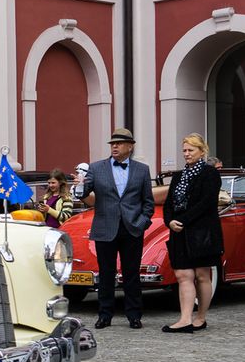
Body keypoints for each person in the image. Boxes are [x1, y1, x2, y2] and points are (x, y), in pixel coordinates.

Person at [81, 128, 155, 329]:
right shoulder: (96, 168)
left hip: (132, 228)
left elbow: (148, 201)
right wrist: (79, 185)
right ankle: (104, 315)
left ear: (130, 147)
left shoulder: (142, 170)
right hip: (105, 227)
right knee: (106, 273)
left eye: (119, 143)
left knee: (131, 273)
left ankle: (134, 316)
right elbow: (84, 193)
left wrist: (142, 223)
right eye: (112, 143)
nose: (114, 146)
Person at [162, 133, 223, 333]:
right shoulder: (179, 176)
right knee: (182, 274)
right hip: (179, 231)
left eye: (191, 150)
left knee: (202, 275)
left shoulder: (210, 173)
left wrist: (183, 220)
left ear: (202, 151)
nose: (186, 154)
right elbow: (169, 203)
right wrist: (169, 220)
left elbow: (206, 203)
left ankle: (201, 317)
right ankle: (185, 318)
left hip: (202, 230)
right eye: (184, 151)